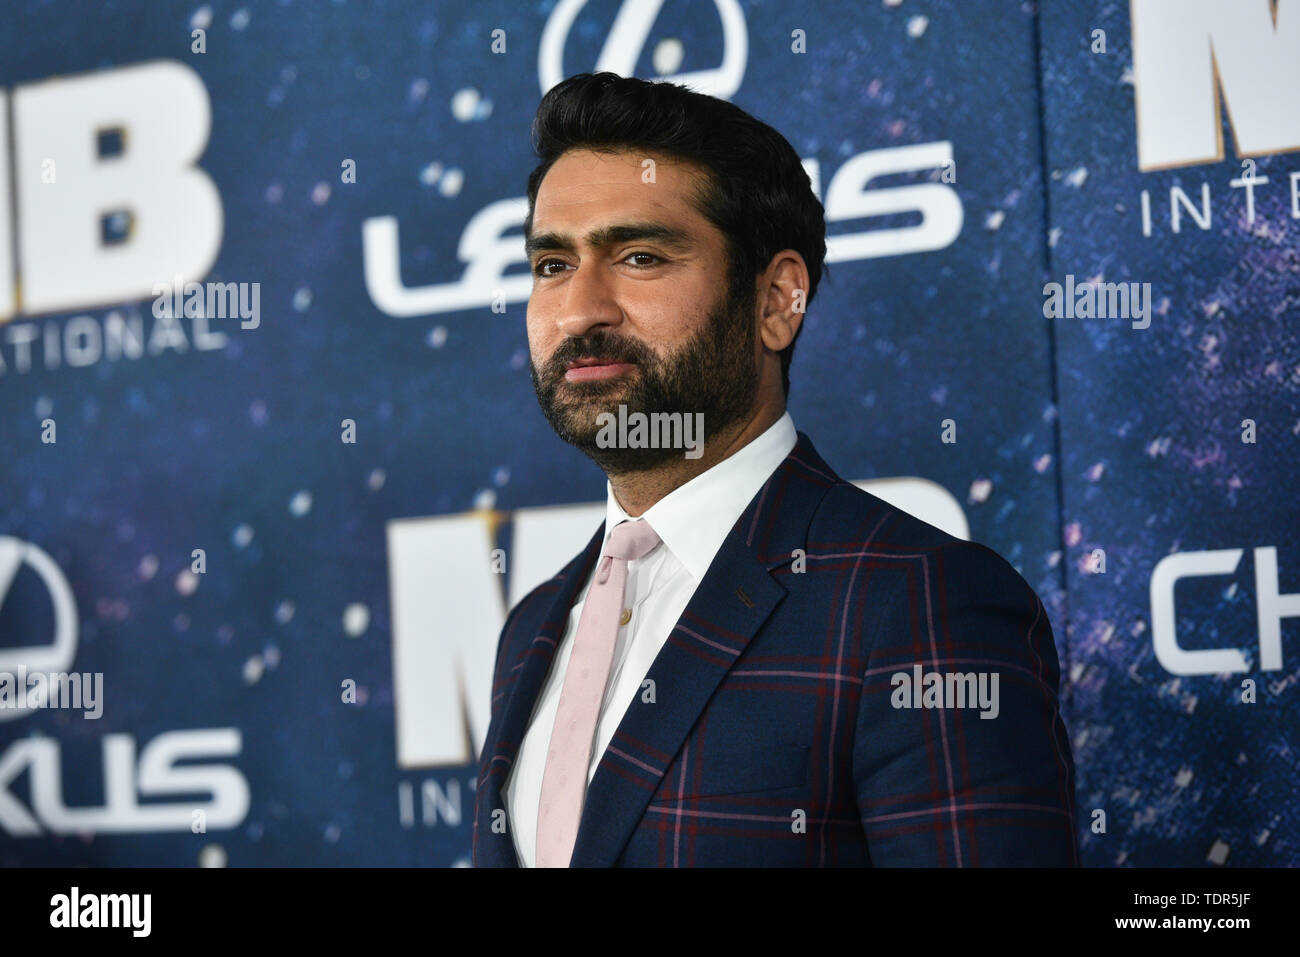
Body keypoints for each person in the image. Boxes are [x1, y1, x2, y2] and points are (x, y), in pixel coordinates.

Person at [472, 72, 1078, 867]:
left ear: (777, 299)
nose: (581, 308)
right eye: (552, 264)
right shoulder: (533, 627)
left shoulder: (917, 601)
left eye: (641, 255)